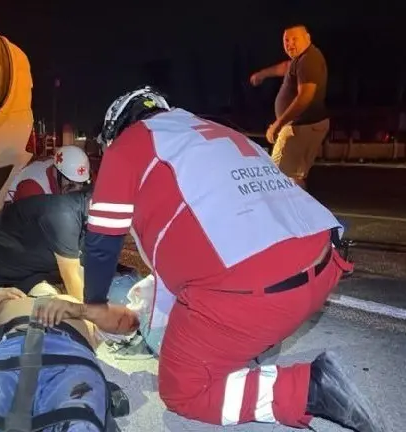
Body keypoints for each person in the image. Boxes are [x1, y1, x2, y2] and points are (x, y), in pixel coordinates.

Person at [80, 85, 383, 431]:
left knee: (182, 391)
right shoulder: (217, 132)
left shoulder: (129, 144)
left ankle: (309, 390)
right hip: (321, 266)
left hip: (259, 295)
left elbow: (102, 240)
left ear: (117, 129)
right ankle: (245, 347)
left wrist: (95, 305)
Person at [0, 283, 138, 432]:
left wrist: (81, 309)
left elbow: (131, 321)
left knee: (80, 423)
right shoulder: (1, 303)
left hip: (67, 355)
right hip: (3, 353)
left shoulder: (77, 306)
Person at [0, 187, 92, 320]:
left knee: (25, 308)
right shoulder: (63, 214)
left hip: (26, 269)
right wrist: (89, 320)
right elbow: (72, 277)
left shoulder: (86, 215)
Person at [250, 24, 329, 189]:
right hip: (307, 126)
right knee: (294, 177)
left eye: (295, 39)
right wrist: (263, 74)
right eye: (286, 40)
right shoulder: (301, 59)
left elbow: (305, 96)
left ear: (307, 38)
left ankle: (283, 212)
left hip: (299, 128)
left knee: (276, 178)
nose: (290, 44)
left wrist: (278, 124)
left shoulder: (308, 61)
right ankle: (301, 211)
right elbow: (286, 68)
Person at [4, 145, 91, 203]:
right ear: (59, 173)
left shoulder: (57, 165)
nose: (77, 189)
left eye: (80, 183)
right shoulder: (34, 190)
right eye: (71, 183)